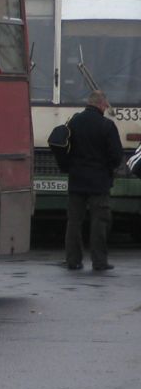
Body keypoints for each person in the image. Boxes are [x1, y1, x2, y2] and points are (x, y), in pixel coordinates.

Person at [62, 90, 123, 271]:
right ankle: (99, 261)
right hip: (99, 181)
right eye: (105, 104)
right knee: (99, 221)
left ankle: (73, 260)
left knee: (74, 221)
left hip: (76, 179)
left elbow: (64, 148)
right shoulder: (107, 125)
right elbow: (116, 156)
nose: (106, 107)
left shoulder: (73, 122)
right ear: (101, 104)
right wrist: (108, 167)